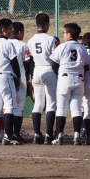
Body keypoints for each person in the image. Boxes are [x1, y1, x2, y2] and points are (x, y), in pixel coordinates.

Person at [49, 23, 89, 145]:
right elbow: (86, 67)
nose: (64, 34)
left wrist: (60, 74)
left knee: (61, 108)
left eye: (65, 32)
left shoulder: (62, 47)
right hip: (79, 78)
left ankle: (59, 136)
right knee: (77, 108)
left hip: (64, 78)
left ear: (69, 34)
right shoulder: (82, 48)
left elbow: (54, 65)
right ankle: (76, 136)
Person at [0, 19, 21, 145]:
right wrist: (18, 77)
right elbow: (14, 62)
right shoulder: (7, 44)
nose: (12, 31)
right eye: (10, 28)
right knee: (9, 105)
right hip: (4, 76)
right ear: (3, 30)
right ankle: (7, 136)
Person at [27, 13, 60, 144]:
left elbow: (29, 60)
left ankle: (36, 134)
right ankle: (48, 134)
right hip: (49, 69)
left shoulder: (30, 40)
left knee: (38, 104)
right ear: (47, 24)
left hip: (36, 71)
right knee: (51, 104)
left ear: (36, 24)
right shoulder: (51, 39)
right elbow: (57, 58)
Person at [10, 22, 31, 143]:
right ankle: (16, 134)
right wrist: (27, 78)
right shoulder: (23, 45)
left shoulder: (4, 43)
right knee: (19, 107)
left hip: (6, 76)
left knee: (7, 106)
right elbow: (27, 63)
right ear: (19, 32)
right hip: (20, 76)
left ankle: (5, 133)